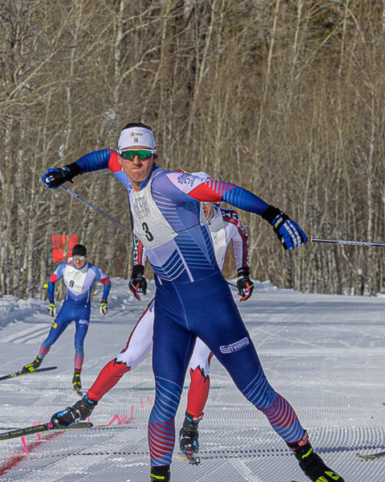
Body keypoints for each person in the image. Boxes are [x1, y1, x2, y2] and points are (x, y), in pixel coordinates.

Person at [41, 122, 345, 482]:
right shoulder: (123, 170)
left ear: (155, 156)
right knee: (164, 401)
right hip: (169, 306)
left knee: (258, 393)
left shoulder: (170, 183)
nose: (135, 163)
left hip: (211, 305)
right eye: (129, 156)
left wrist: (275, 215)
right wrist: (70, 171)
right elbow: (102, 158)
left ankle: (309, 460)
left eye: (144, 156)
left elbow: (223, 191)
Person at [75, 189, 252, 462]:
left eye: (205, 204)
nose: (200, 209)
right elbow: (143, 238)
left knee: (198, 366)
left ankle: (190, 429)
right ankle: (86, 405)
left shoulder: (228, 220)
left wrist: (243, 273)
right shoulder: (174, 216)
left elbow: (241, 239)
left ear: (214, 203)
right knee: (129, 356)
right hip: (170, 299)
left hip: (209, 304)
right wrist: (137, 271)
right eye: (194, 203)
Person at [24, 245, 110, 392]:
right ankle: (37, 361)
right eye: (75, 258)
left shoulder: (92, 270)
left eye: (81, 258)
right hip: (66, 310)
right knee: (50, 339)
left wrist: (104, 301)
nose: (78, 261)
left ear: (85, 258)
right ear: (72, 257)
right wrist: (51, 303)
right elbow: (51, 281)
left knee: (78, 344)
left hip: (83, 311)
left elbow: (107, 282)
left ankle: (77, 377)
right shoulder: (64, 268)